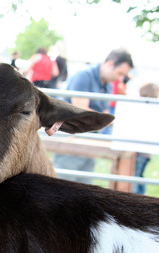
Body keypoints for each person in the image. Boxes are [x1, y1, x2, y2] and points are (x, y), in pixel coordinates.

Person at [53, 48, 134, 184]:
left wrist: (109, 119)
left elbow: (105, 111)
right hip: (71, 139)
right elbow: (81, 110)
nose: (120, 78)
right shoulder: (84, 76)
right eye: (120, 73)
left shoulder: (107, 84)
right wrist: (111, 121)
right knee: (65, 183)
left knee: (84, 183)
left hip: (89, 138)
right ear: (110, 64)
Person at [132, 82, 159, 194]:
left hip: (140, 151)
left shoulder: (143, 111)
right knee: (140, 176)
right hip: (147, 152)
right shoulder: (154, 110)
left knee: (135, 177)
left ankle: (136, 196)